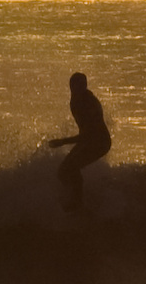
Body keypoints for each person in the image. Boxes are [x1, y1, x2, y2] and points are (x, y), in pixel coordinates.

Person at [47, 72, 111, 210]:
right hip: (88, 140)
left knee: (70, 168)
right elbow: (85, 134)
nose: (75, 90)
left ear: (84, 86)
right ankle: (75, 198)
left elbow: (89, 134)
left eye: (79, 87)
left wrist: (63, 141)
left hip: (100, 143)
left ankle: (78, 204)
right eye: (73, 87)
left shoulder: (89, 103)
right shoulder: (75, 101)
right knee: (62, 172)